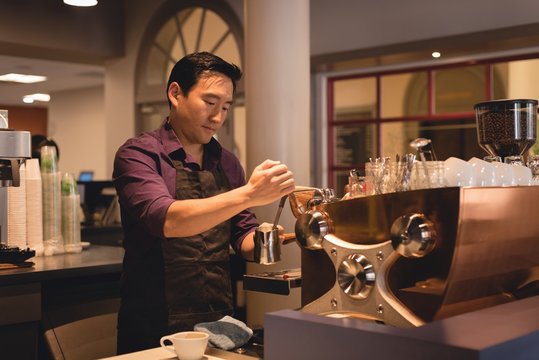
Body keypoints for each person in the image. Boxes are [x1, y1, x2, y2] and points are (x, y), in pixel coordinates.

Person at [112, 52, 295, 354]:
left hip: (218, 323)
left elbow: (242, 234)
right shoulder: (140, 154)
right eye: (209, 103)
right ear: (175, 94)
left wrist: (272, 238)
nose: (218, 117)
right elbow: (167, 220)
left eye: (225, 107)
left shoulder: (226, 162)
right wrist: (249, 193)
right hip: (154, 325)